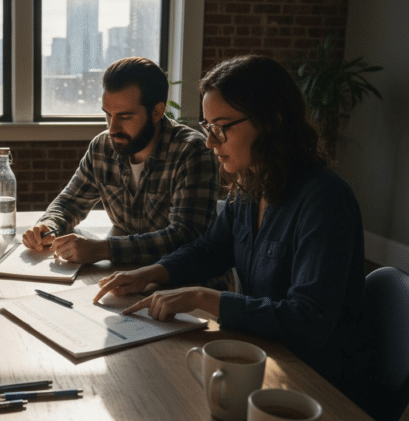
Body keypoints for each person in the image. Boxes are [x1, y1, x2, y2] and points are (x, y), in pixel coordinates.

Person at [93, 54, 368, 404]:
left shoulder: (324, 200)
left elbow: (308, 321)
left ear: (272, 122)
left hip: (314, 386)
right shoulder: (253, 184)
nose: (210, 142)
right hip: (263, 359)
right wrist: (151, 272)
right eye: (208, 127)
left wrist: (202, 298)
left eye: (221, 127)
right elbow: (210, 250)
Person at [22, 57, 219, 266]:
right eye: (108, 115)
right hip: (125, 275)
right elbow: (70, 202)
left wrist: (103, 249)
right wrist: (48, 225)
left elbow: (184, 237)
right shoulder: (102, 148)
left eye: (125, 117)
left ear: (157, 112)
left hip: (183, 284)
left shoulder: (192, 151)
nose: (113, 128)